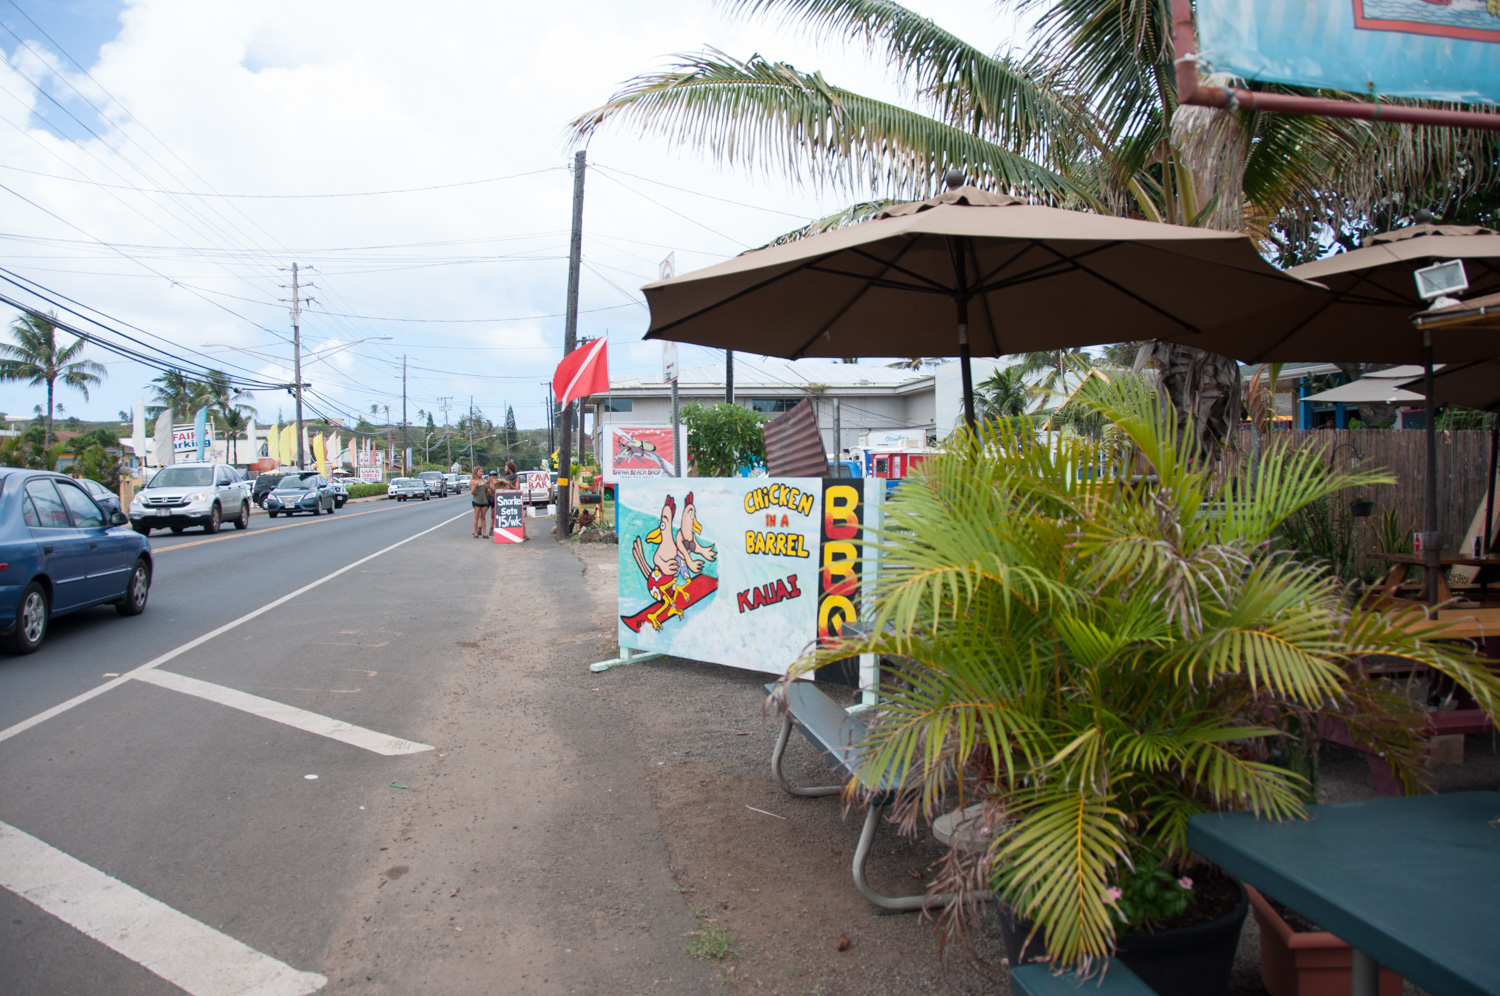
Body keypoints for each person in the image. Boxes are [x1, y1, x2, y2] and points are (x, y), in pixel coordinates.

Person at [469, 468, 487, 538]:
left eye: (482, 471)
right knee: (476, 517)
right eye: (480, 471)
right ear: (476, 472)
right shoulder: (473, 481)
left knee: (483, 517)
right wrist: (475, 486)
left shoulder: (483, 480)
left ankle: (484, 533)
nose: (481, 473)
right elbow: (472, 492)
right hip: (476, 501)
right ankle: (476, 532)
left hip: (483, 500)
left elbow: (486, 490)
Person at [485, 471, 500, 537]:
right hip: (488, 499)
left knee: (493, 515)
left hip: (494, 499)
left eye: (495, 475)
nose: (493, 477)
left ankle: (491, 529)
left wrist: (495, 484)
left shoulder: (497, 483)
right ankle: (480, 528)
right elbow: (485, 491)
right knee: (482, 514)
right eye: (492, 475)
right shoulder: (487, 483)